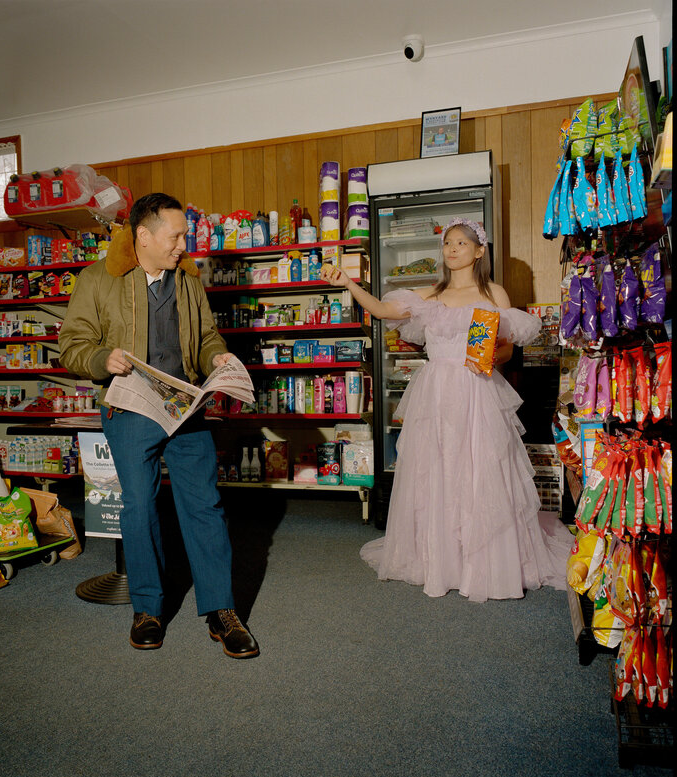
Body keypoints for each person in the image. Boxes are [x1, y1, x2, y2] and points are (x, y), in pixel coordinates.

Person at [321, 217, 573, 601]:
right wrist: (350, 284)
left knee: (479, 471)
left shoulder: (493, 296)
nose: (452, 249)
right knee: (436, 471)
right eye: (447, 243)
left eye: (461, 243)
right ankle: (441, 560)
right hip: (436, 393)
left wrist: (488, 356)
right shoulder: (429, 296)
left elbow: (506, 347)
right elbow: (383, 310)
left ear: (479, 250)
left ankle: (483, 563)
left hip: (477, 391)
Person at [59, 192, 259, 658]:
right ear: (143, 236)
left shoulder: (188, 281)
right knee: (139, 507)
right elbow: (72, 345)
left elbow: (207, 334)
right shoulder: (97, 280)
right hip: (130, 409)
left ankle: (221, 610)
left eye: (184, 236)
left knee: (205, 506)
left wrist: (218, 355)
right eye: (176, 236)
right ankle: (148, 609)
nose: (183, 246)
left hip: (185, 407)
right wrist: (99, 358)